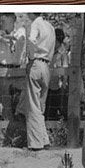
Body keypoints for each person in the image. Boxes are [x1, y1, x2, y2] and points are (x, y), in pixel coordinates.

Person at [21, 13, 56, 151]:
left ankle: (35, 144)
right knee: (41, 105)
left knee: (33, 105)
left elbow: (31, 41)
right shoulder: (50, 26)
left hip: (36, 63)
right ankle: (44, 139)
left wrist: (30, 58)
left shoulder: (35, 23)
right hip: (47, 65)